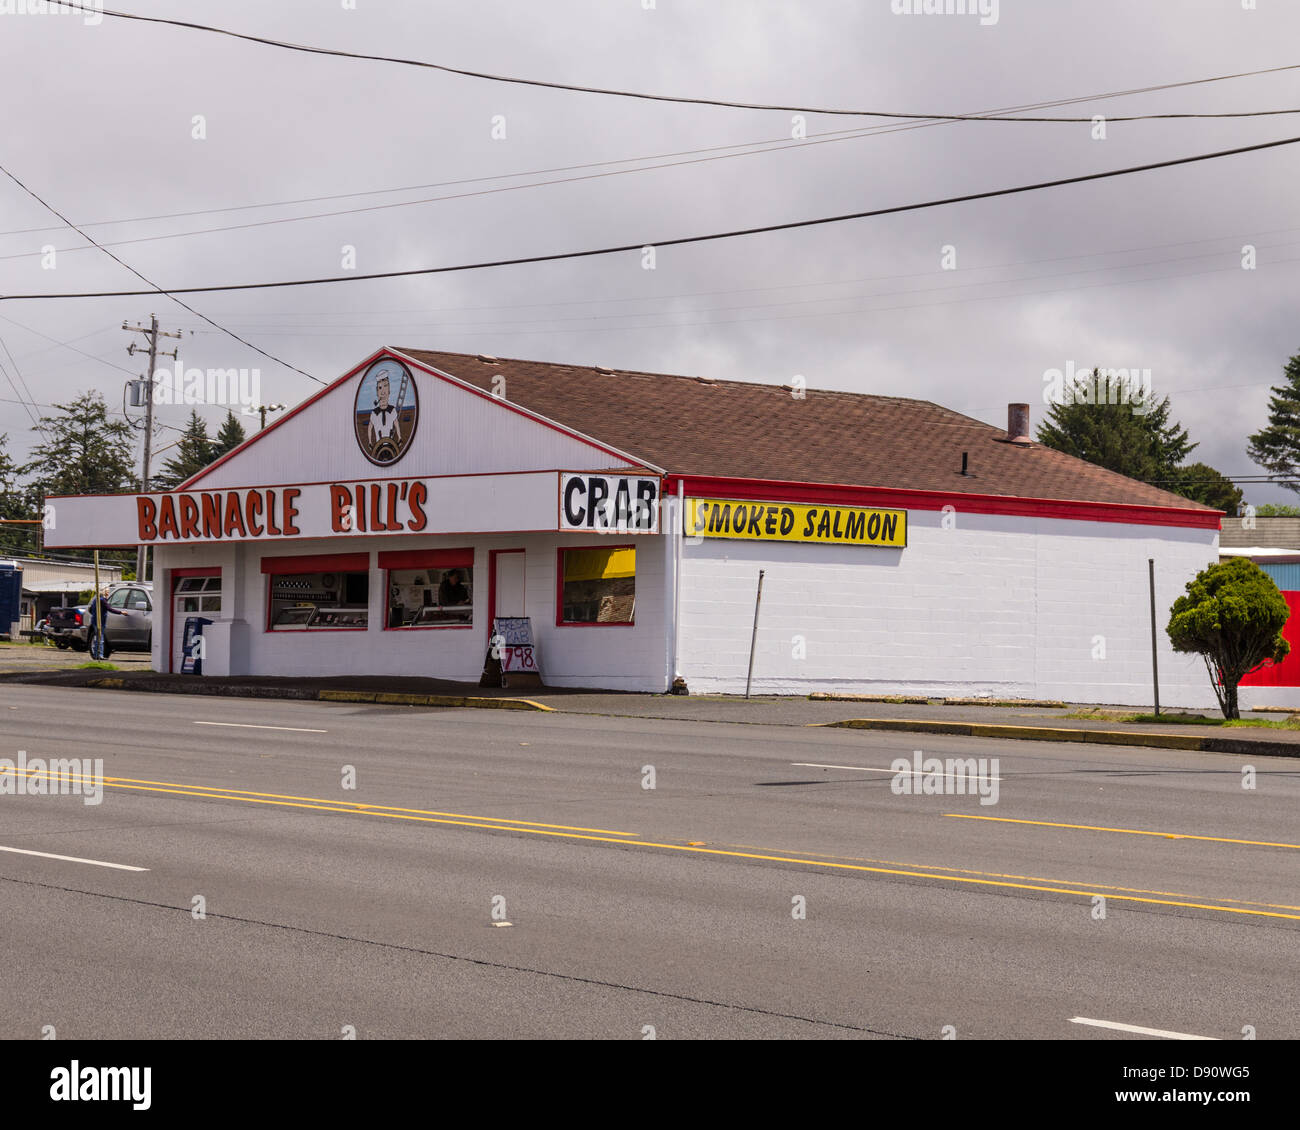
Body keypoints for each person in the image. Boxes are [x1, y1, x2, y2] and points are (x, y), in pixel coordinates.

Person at [86, 588, 125, 660]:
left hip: (94, 621)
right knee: (100, 638)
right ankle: (100, 655)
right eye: (107, 592)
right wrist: (121, 612)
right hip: (100, 622)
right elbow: (110, 609)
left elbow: (90, 609)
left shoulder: (95, 600)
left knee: (97, 638)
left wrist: (95, 614)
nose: (108, 593)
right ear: (104, 593)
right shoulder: (102, 601)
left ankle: (95, 655)